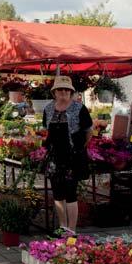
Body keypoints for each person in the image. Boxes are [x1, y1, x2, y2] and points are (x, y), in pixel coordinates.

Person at [43, 76, 92, 235]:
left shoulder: (79, 108)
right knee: (57, 192)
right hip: (55, 157)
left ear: (71, 92)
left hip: (73, 157)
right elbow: (47, 131)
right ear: (54, 92)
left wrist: (79, 148)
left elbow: (88, 132)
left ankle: (72, 230)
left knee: (71, 193)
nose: (63, 92)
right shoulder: (48, 109)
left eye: (66, 90)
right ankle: (62, 227)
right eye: (60, 89)